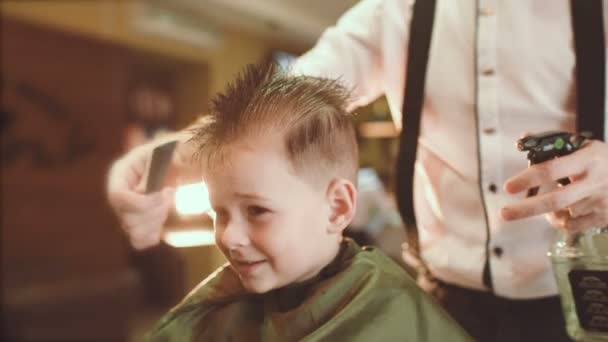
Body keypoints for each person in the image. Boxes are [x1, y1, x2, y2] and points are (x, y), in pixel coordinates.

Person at [107, 1, 608, 341]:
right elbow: (280, 105)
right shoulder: (395, 14)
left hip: (581, 294)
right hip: (438, 302)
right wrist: (154, 163)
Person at [143, 63, 472, 341]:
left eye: (257, 210)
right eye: (218, 212)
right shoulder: (221, 307)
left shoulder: (394, 313)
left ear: (337, 208)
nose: (228, 236)